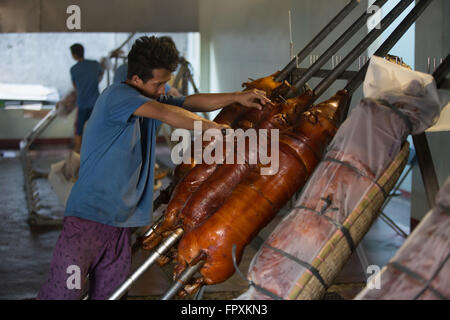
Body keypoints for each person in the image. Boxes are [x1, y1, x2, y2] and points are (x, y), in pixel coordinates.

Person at [37, 36, 272, 300]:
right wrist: (213, 128)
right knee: (63, 293)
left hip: (120, 226)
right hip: (88, 221)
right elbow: (169, 114)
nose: (164, 90)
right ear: (136, 79)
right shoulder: (119, 97)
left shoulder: (148, 99)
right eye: (159, 83)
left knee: (110, 295)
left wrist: (238, 98)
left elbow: (191, 102)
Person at [69, 43, 104, 153]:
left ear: (74, 55)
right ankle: (97, 150)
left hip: (82, 103)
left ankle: (78, 152)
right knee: (96, 127)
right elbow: (100, 75)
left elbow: (75, 87)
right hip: (95, 103)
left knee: (79, 129)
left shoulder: (74, 69)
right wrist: (95, 82)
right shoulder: (94, 64)